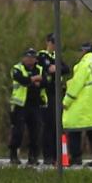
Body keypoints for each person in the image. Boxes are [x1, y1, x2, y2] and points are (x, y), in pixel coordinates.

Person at [8, 48, 44, 165]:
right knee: (18, 131)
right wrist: (34, 79)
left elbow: (46, 81)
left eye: (32, 58)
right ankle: (13, 155)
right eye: (28, 57)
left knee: (35, 132)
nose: (30, 60)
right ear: (23, 58)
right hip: (20, 105)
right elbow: (21, 80)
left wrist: (39, 81)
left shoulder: (39, 69)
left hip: (35, 105)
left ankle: (33, 156)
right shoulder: (17, 68)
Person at [35, 33, 63, 162]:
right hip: (45, 94)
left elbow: (66, 68)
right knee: (48, 126)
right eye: (52, 42)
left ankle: (57, 155)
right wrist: (56, 68)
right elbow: (48, 67)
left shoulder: (56, 57)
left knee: (57, 126)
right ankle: (47, 155)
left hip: (57, 94)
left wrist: (56, 67)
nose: (54, 45)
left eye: (56, 43)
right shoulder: (42, 55)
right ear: (48, 42)